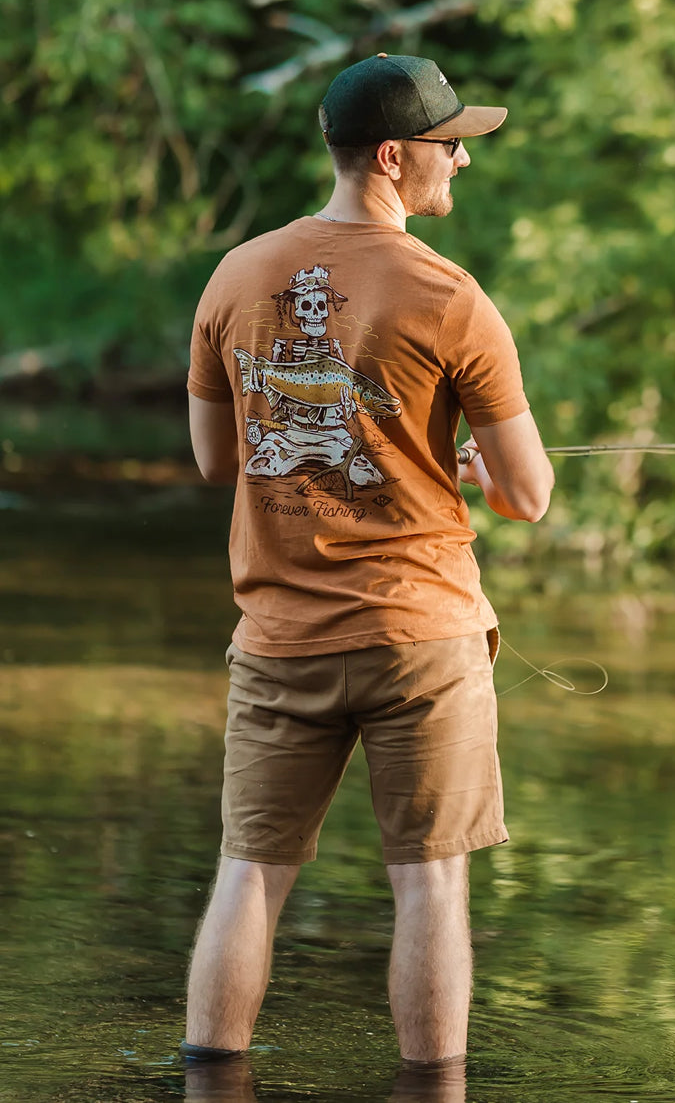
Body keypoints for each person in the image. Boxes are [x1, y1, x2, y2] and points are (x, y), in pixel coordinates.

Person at [182, 52, 554, 1068]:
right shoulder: (451, 296)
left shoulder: (236, 275)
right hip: (420, 642)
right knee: (430, 880)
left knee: (248, 872)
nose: (464, 160)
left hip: (280, 638)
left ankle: (210, 1084)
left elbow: (217, 461)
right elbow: (530, 494)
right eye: (449, 144)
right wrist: (477, 470)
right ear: (394, 157)